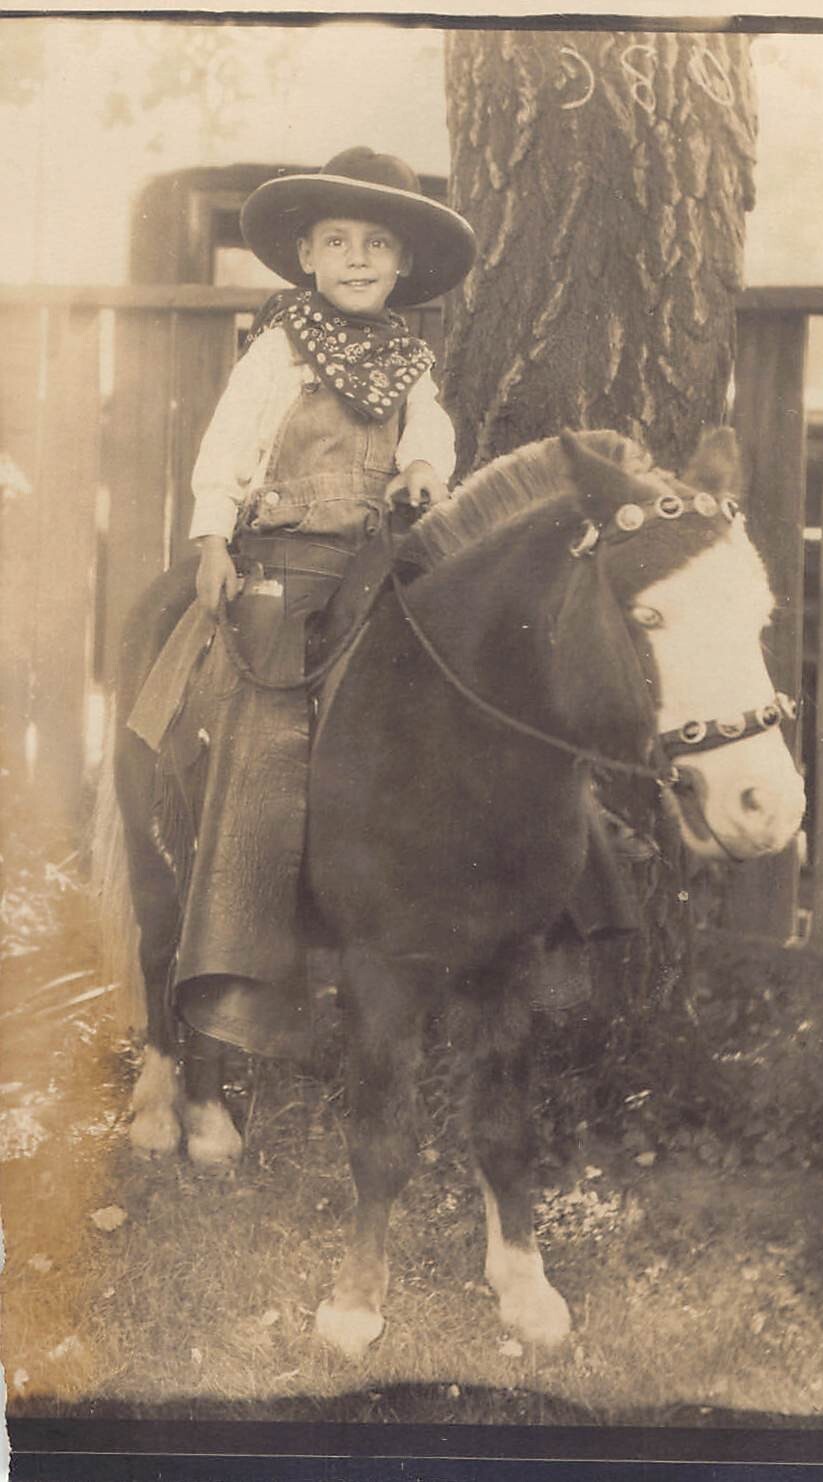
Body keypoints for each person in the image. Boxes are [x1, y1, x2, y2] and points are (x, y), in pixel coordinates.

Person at [127, 148, 476, 1058]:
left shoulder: (408, 358)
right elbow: (228, 443)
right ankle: (233, 978)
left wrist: (425, 467)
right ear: (308, 258)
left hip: (372, 562)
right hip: (279, 559)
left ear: (402, 265)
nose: (357, 259)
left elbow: (429, 430)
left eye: (377, 244)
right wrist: (212, 537)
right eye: (336, 243)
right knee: (264, 741)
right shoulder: (281, 346)